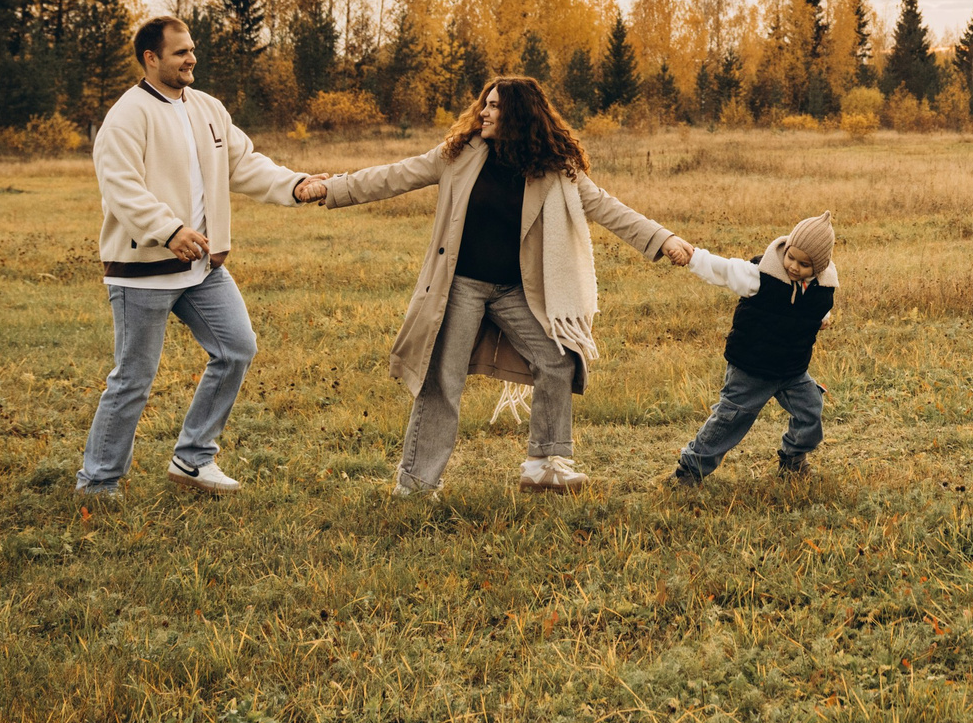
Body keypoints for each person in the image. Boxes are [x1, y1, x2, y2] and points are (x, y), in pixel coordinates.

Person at [309, 76, 694, 495]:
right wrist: (330, 188)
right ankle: (416, 483)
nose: (484, 112)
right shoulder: (459, 154)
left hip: (516, 292)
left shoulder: (554, 169)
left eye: (494, 106)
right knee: (442, 380)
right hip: (461, 286)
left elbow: (607, 207)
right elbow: (393, 176)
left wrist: (663, 239)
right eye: (485, 104)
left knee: (558, 360)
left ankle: (544, 466)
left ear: (519, 115)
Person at [79, 16, 329, 497]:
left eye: (191, 49)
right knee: (133, 380)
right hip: (142, 272)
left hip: (202, 267)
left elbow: (245, 164)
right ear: (151, 58)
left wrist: (295, 184)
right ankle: (98, 482)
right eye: (180, 52)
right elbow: (121, 187)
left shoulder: (208, 108)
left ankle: (192, 459)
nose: (191, 58)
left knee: (237, 348)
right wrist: (169, 230)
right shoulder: (127, 116)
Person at [665, 211, 837, 485]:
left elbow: (814, 307)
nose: (794, 267)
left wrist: (823, 318)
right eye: (791, 257)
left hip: (792, 370)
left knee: (811, 410)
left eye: (804, 264)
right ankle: (690, 470)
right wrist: (694, 257)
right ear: (785, 248)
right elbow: (724, 269)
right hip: (751, 367)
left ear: (819, 267)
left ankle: (793, 458)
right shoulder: (761, 276)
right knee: (730, 420)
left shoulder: (822, 288)